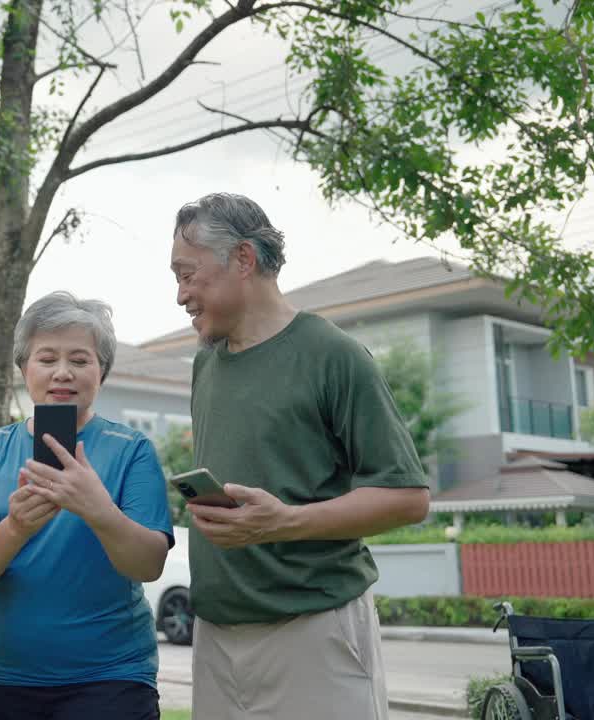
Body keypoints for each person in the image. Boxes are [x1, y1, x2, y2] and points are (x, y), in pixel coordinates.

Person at [169, 193, 431, 720]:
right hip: (216, 635)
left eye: (188, 274)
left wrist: (284, 523)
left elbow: (408, 498)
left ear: (243, 259)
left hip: (314, 627)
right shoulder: (206, 366)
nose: (181, 296)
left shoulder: (334, 356)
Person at [0, 291, 174, 720]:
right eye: (47, 359)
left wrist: (96, 507)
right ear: (24, 368)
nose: (63, 373)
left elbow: (148, 565)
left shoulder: (131, 449)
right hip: (5, 676)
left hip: (112, 677)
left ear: (102, 372)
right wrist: (17, 526)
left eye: (80, 360)